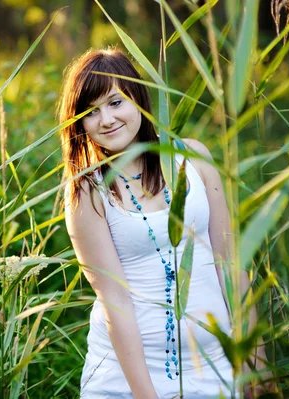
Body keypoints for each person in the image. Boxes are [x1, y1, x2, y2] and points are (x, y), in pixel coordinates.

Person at [58, 48, 265, 398]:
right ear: (78, 123)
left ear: (138, 98)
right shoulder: (87, 192)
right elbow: (115, 302)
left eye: (114, 102)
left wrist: (255, 366)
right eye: (91, 112)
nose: (106, 119)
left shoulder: (193, 158)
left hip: (214, 368)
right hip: (128, 381)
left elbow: (230, 263)